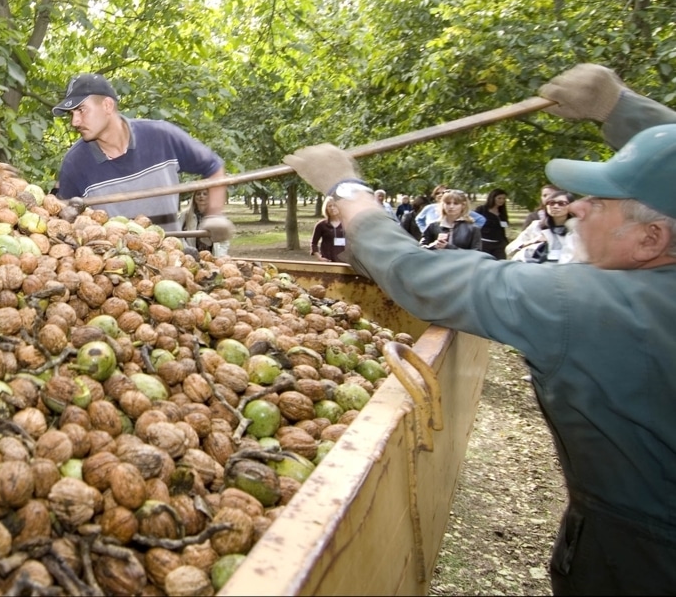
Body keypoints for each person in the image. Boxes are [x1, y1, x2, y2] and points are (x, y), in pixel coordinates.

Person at [283, 63, 676, 596]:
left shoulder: (591, 305)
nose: (576, 207)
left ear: (651, 237)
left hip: (641, 560)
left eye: (600, 202)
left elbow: (423, 277)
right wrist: (620, 108)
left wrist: (345, 186)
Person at [52, 73, 234, 245]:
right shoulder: (74, 163)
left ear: (107, 105)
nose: (74, 122)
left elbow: (213, 166)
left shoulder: (161, 136)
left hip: (175, 258)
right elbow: (64, 217)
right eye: (71, 114)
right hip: (114, 268)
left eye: (81, 110)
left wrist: (215, 215)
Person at [506, 191, 579, 264]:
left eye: (561, 203)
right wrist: (533, 241)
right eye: (551, 203)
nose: (555, 206)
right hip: (539, 268)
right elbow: (510, 248)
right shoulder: (536, 225)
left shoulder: (578, 228)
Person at [414, 185, 487, 231]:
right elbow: (419, 219)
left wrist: (471, 230)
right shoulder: (429, 209)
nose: (440, 195)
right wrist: (424, 230)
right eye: (437, 193)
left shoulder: (459, 211)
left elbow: (481, 219)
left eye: (443, 193)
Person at [180, 189, 230, 257]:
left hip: (211, 257)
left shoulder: (216, 216)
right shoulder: (185, 214)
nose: (201, 196)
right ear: (194, 197)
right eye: (198, 194)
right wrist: (187, 249)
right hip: (190, 257)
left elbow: (224, 240)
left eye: (205, 194)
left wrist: (220, 255)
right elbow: (178, 233)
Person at [475, 187, 511, 259]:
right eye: (499, 198)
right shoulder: (482, 210)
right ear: (493, 198)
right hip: (484, 243)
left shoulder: (502, 212)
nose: (502, 200)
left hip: (499, 244)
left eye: (504, 198)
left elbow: (504, 227)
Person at [310, 197, 346, 262]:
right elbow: (314, 243)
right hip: (327, 261)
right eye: (329, 206)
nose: (332, 208)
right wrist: (319, 257)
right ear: (326, 209)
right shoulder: (321, 225)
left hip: (345, 262)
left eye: (335, 205)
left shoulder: (347, 224)